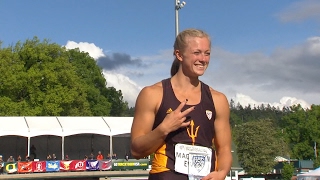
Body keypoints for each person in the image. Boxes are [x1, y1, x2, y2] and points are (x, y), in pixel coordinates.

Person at [130, 28, 232, 180]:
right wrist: (163, 129)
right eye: (197, 53)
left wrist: (222, 173)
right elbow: (136, 150)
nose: (203, 59)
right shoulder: (152, 94)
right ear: (179, 55)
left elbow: (224, 148)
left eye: (207, 53)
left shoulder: (218, 99)